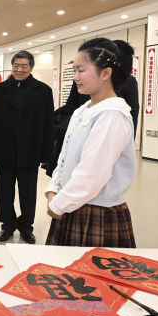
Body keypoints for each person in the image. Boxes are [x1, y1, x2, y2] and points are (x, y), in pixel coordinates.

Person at [45, 38, 136, 247]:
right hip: (70, 204)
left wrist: (58, 204)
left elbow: (93, 174)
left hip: (96, 211)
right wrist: (54, 190)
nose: (75, 77)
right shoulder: (82, 110)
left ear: (105, 73)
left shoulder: (112, 115)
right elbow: (65, 158)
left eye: (81, 70)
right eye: (74, 70)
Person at [0, 50, 55, 244]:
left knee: (28, 192)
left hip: (30, 150)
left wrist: (46, 154)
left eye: (24, 66)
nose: (19, 70)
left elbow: (48, 124)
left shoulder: (43, 91)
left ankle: (26, 227)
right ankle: (7, 225)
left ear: (31, 67)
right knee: (4, 191)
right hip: (4, 150)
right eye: (16, 66)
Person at [51, 39, 139, 170]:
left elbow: (133, 113)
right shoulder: (81, 106)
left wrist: (127, 144)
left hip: (104, 143)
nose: (76, 77)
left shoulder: (117, 109)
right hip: (78, 139)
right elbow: (71, 106)